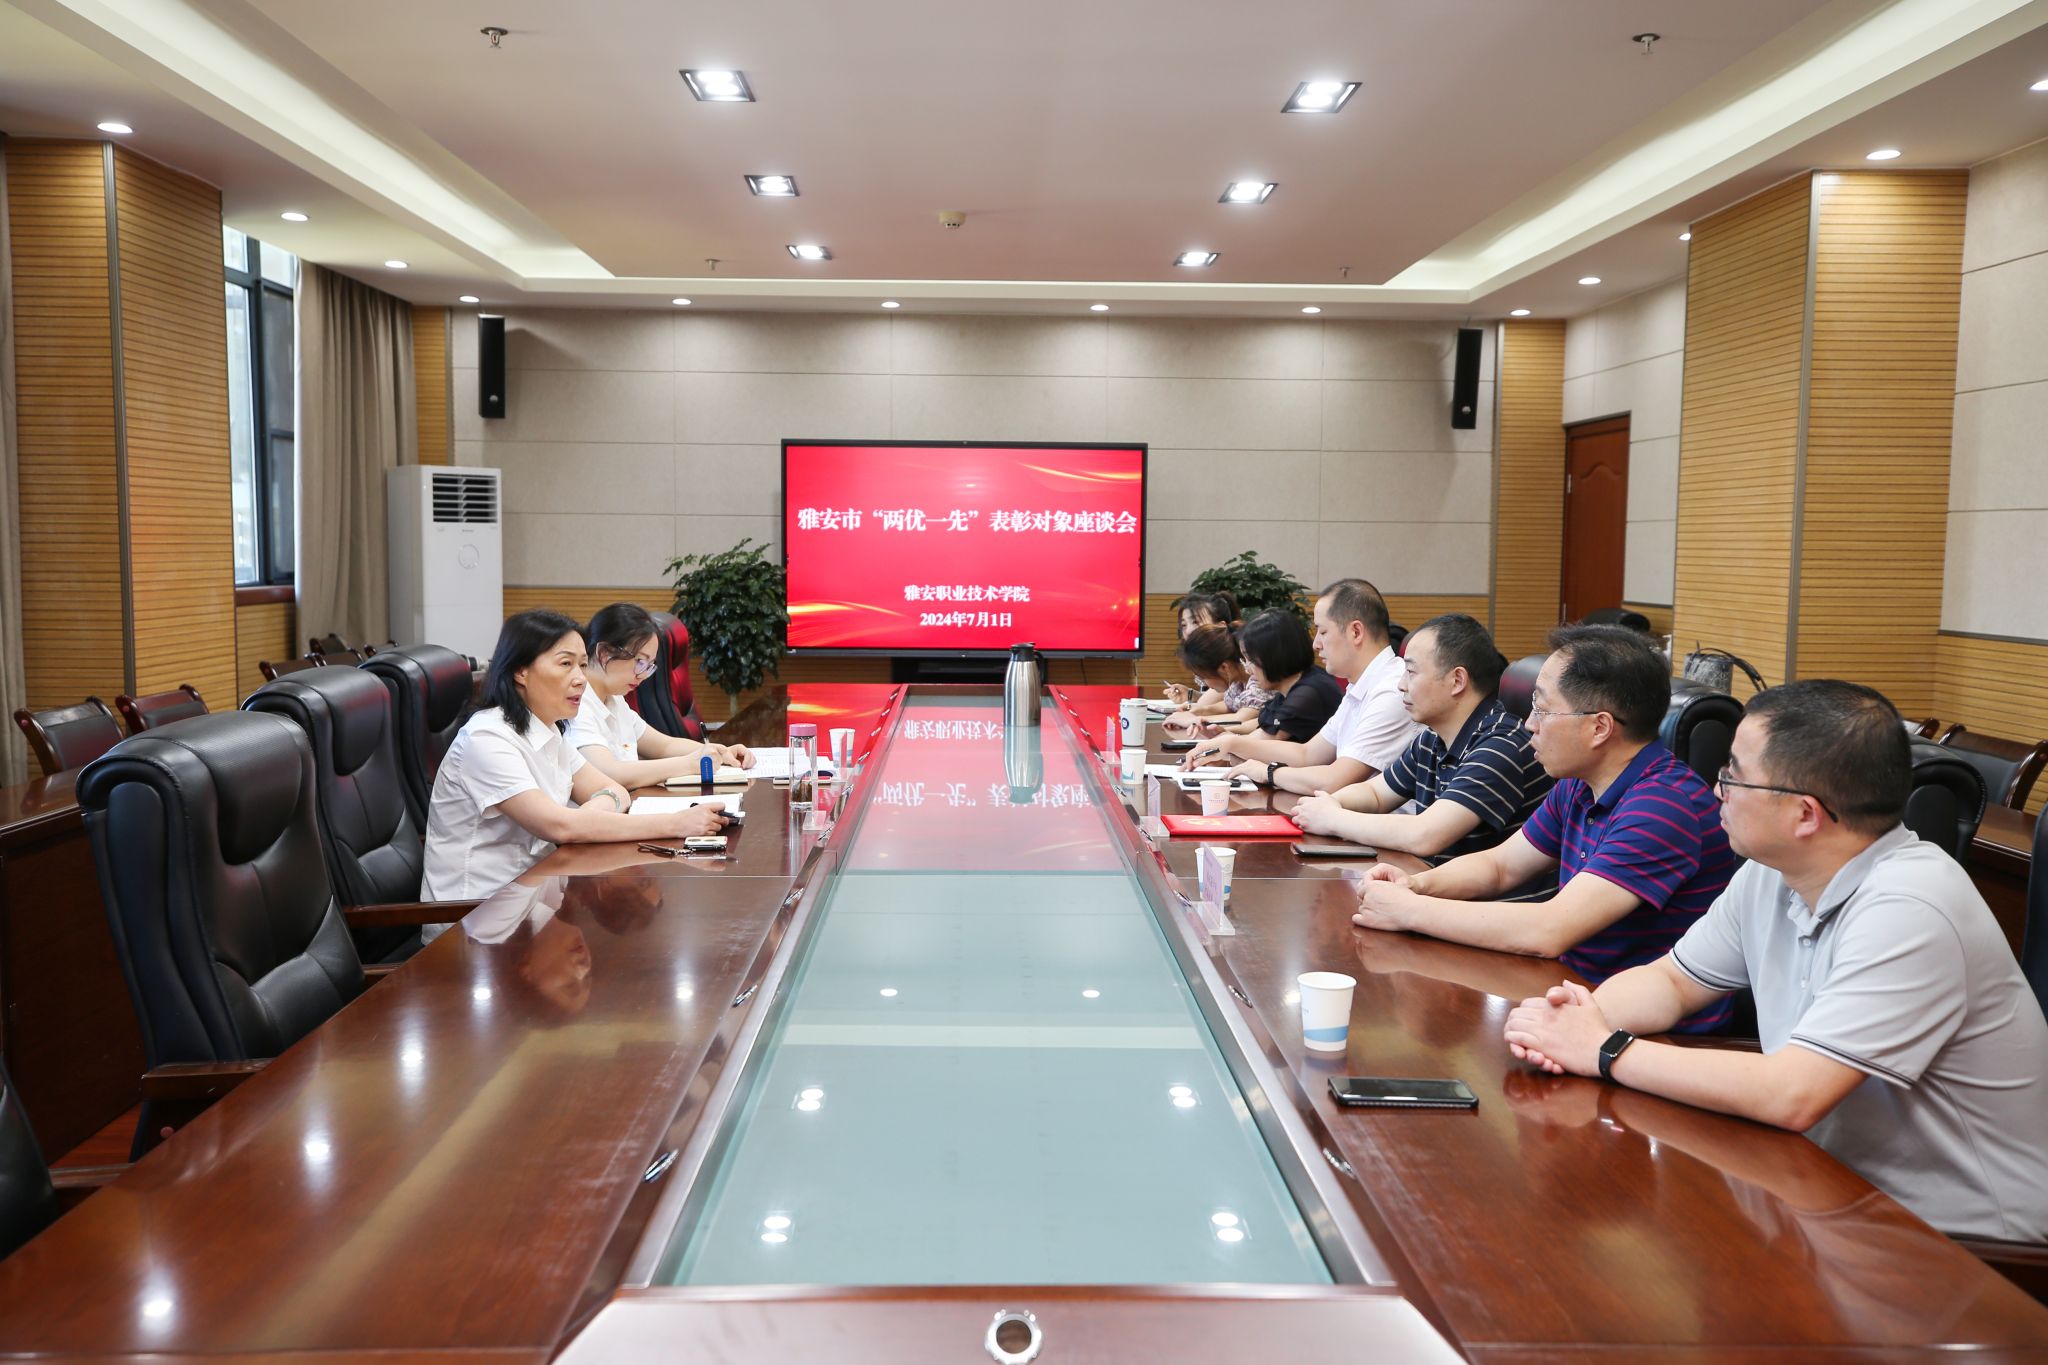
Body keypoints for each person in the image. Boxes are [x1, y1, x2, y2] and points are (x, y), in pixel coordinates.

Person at [1502, 680, 2048, 1241]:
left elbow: (1793, 1093)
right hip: (1827, 1189)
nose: (1716, 789)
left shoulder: (1912, 908)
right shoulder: (1772, 872)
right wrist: (1572, 1018)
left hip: (1963, 1241)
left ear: (1805, 814)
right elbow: (1672, 982)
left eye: (1733, 775)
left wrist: (1604, 1049)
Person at [1352, 624, 1735, 1029]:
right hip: (1572, 993)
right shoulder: (1580, 783)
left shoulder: (1663, 807)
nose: (1528, 724)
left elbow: (1549, 929)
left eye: (1543, 709)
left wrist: (1410, 911)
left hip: (1648, 1032)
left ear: (1600, 727)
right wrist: (1415, 885)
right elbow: (1501, 866)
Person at [421, 610, 730, 910]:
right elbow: (559, 826)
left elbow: (615, 791)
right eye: (566, 664)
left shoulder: (548, 729)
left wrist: (586, 816)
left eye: (582, 665)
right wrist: (675, 824)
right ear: (520, 671)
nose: (580, 679)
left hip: (536, 894)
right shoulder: (487, 739)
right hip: (476, 915)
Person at [1291, 614, 1551, 873]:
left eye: (1411, 672)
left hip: (1483, 897)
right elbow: (1375, 794)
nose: (1401, 685)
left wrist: (1333, 818)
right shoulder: (1432, 738)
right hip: (1436, 884)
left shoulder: (1500, 745)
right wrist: (1329, 804)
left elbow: (1425, 835)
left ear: (1457, 681)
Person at [1190, 579, 1419, 793]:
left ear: (1356, 632)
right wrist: (1231, 743)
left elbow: (1335, 780)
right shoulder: (1361, 685)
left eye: (1323, 631)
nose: (1316, 644)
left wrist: (1269, 772)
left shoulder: (1391, 690)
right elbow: (1307, 753)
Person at [568, 602, 755, 787]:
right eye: (640, 662)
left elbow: (664, 746)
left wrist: (719, 752)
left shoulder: (614, 699)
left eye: (649, 666)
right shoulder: (577, 704)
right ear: (604, 653)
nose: (643, 675)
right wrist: (688, 764)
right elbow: (609, 773)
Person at [1171, 608, 1341, 745]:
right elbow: (1262, 726)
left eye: (1250, 660)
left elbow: (1266, 740)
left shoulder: (1307, 692)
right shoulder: (1290, 687)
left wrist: (1225, 739)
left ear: (1272, 657)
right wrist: (1220, 732)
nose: (1249, 670)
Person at [1160, 623, 1268, 730]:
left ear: (1224, 668)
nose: (1204, 683)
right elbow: (1229, 705)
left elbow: (1241, 719)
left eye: (1203, 677)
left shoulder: (1259, 680)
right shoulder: (1238, 681)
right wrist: (1201, 710)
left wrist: (1193, 720)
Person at [1163, 591, 1241, 711]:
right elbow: (1224, 699)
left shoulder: (1235, 657)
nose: (1188, 631)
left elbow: (1206, 706)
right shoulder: (1200, 656)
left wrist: (1199, 705)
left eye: (1196, 622)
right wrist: (1193, 695)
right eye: (1184, 625)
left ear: (1221, 625)